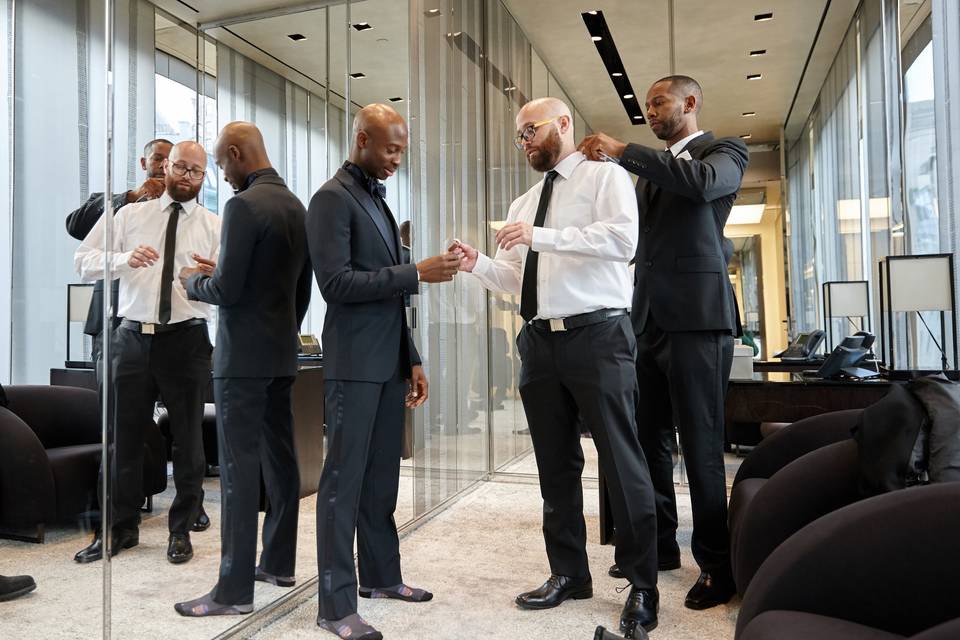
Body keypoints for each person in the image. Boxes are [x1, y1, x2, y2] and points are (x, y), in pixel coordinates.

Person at [451, 97, 659, 637]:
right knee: (555, 467)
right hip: (540, 342)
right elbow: (517, 279)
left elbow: (622, 242)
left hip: (600, 336)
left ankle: (642, 584)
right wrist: (478, 265)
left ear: (563, 125)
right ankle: (569, 573)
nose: (524, 143)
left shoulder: (603, 177)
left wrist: (541, 237)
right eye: (519, 136)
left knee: (621, 459)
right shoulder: (524, 202)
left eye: (531, 131)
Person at [579, 75, 749, 610]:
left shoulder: (725, 152)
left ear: (690, 102)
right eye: (647, 105)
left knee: (701, 444)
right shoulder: (649, 173)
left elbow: (699, 184)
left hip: (699, 321)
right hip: (645, 320)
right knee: (648, 439)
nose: (650, 111)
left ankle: (717, 567)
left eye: (659, 102)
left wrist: (625, 150)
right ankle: (660, 547)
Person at [307, 103, 458, 640]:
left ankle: (381, 578)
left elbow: (391, 297)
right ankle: (335, 606)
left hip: (388, 363)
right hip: (351, 364)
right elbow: (336, 286)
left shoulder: (379, 202)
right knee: (342, 485)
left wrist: (411, 358)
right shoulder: (330, 198)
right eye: (390, 148)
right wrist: (415, 270)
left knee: (381, 481)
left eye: (402, 150)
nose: (397, 159)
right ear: (362, 139)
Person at [173, 122, 313, 617]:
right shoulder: (295, 204)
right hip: (281, 355)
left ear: (235, 154)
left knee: (237, 471)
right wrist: (225, 269)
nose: (222, 176)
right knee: (281, 461)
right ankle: (278, 563)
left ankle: (232, 592)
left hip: (240, 363)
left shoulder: (241, 206)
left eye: (221, 164)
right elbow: (298, 291)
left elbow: (228, 293)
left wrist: (194, 281)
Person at [73, 141, 221, 565]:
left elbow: (231, 290)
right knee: (123, 440)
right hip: (132, 337)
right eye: (180, 167)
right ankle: (118, 529)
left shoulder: (215, 225)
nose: (186, 176)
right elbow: (82, 259)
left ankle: (181, 530)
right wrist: (122, 259)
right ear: (165, 167)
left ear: (203, 176)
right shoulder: (129, 215)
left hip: (186, 340)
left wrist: (214, 276)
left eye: (195, 171)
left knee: (189, 441)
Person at [65, 139, 172, 362]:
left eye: (169, 161)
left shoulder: (186, 212)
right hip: (111, 317)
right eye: (158, 158)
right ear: (144, 163)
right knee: (113, 394)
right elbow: (75, 226)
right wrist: (130, 197)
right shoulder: (120, 203)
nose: (163, 165)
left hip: (168, 327)